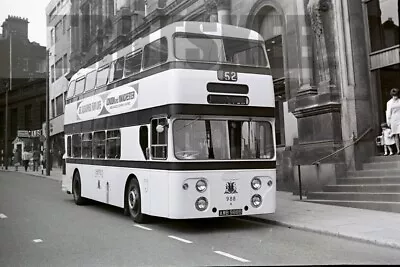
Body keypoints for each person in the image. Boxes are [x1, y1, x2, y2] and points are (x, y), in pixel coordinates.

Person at [387, 88, 400, 154]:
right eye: (394, 95)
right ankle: (398, 149)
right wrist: (388, 121)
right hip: (393, 119)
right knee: (396, 135)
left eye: (396, 95)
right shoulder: (389, 103)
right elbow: (388, 112)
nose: (395, 97)